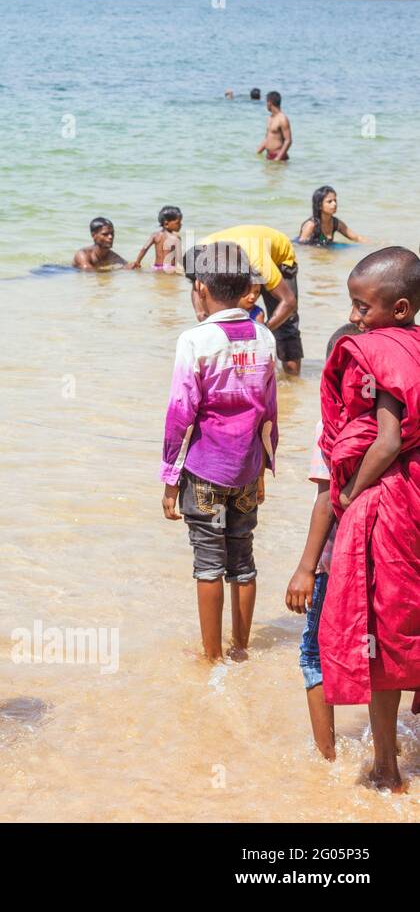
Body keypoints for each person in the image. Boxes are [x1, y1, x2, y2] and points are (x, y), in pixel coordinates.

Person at [317, 247, 420, 792]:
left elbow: (385, 441)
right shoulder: (416, 348)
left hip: (392, 501)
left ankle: (387, 767)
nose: (355, 318)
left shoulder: (381, 355)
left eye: (362, 307)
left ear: (400, 308)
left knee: (382, 633)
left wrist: (353, 494)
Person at [161, 243, 278, 663]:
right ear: (246, 288)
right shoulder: (264, 336)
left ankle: (211, 657)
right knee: (242, 559)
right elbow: (269, 410)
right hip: (247, 468)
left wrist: (170, 481)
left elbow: (180, 414)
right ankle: (242, 649)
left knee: (208, 564)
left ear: (201, 288)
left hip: (206, 470)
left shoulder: (195, 339)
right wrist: (264, 467)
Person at [286, 323, 361, 761]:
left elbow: (326, 501)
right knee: (385, 644)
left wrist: (305, 567)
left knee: (314, 652)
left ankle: (327, 758)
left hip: (337, 559)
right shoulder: (401, 415)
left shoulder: (331, 425)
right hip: (392, 553)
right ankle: (393, 747)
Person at [197, 225, 301, 374]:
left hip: (278, 259)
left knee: (286, 327)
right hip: (244, 251)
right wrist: (203, 317)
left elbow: (289, 301)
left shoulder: (259, 263)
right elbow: (196, 288)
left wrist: (261, 331)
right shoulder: (204, 252)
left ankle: (292, 382)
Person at [297, 186, 365, 246]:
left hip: (326, 248)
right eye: (330, 201)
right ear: (320, 205)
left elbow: (356, 238)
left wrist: (372, 246)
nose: (334, 204)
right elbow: (302, 247)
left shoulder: (336, 223)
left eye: (335, 200)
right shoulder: (311, 225)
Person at [130, 206, 183, 271]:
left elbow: (145, 248)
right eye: (178, 223)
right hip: (170, 268)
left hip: (156, 267)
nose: (181, 224)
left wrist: (137, 262)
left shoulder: (155, 235)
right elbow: (179, 257)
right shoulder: (176, 237)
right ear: (166, 224)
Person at [257, 91, 292, 161]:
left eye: (266, 102)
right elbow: (268, 138)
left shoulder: (282, 119)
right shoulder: (270, 118)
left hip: (279, 157)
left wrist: (278, 158)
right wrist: (258, 151)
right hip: (269, 156)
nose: (266, 105)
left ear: (269, 103)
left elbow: (288, 140)